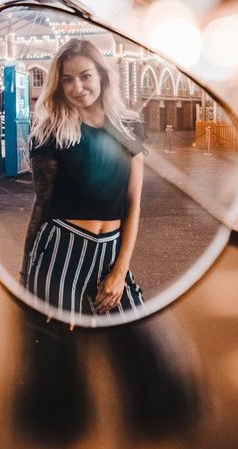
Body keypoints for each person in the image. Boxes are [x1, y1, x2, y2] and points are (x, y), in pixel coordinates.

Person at [20, 38, 145, 319]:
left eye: (85, 76)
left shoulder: (129, 126)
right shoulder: (50, 132)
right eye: (67, 80)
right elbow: (42, 203)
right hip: (61, 249)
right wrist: (26, 272)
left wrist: (120, 271)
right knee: (60, 347)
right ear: (59, 85)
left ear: (101, 75)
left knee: (138, 329)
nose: (77, 87)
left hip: (111, 251)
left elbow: (133, 204)